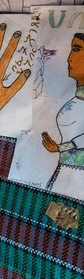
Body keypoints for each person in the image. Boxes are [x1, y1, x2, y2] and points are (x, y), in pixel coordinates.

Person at [41, 32, 84, 191]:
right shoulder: (77, 98)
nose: (69, 59)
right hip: (64, 173)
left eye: (77, 49)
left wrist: (60, 148)